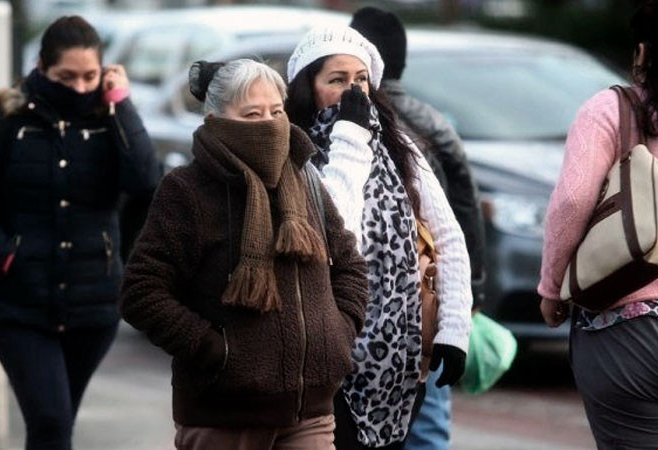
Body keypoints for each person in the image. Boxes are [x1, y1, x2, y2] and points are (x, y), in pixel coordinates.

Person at [120, 59, 369, 450]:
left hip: (310, 412)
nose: (269, 124)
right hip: (225, 416)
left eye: (276, 111)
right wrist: (215, 351)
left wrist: (339, 331)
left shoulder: (305, 180)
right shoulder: (186, 191)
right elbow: (141, 292)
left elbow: (350, 263)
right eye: (252, 114)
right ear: (217, 118)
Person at [0, 16, 160, 450]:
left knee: (54, 427)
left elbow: (145, 181)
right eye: (66, 77)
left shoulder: (109, 118)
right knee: (51, 420)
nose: (79, 88)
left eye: (89, 76)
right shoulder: (11, 118)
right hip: (19, 304)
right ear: (42, 67)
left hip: (92, 306)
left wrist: (122, 103)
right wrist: (5, 255)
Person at [285, 26, 472, 450]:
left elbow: (448, 236)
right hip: (328, 356)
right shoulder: (294, 150)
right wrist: (351, 136)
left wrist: (454, 331)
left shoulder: (398, 143)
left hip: (398, 360)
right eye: (336, 80)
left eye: (360, 80)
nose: (352, 91)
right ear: (307, 88)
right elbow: (334, 238)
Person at [349, 8, 486, 450]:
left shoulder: (363, 121)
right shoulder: (432, 121)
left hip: (384, 308)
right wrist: (469, 297)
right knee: (427, 421)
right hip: (430, 295)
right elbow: (465, 206)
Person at [538, 2, 658, 448]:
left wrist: (553, 288)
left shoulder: (610, 110)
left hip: (626, 329)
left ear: (643, 53)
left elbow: (571, 202)